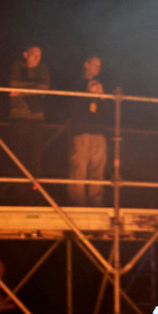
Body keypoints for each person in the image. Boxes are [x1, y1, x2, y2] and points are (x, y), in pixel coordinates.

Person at [65, 56, 111, 205]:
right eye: (95, 64)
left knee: (98, 169)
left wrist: (102, 97)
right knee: (79, 168)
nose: (98, 68)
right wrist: (87, 93)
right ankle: (77, 203)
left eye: (100, 65)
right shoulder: (76, 83)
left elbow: (108, 113)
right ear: (86, 64)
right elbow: (70, 108)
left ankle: (96, 202)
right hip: (81, 132)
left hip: (99, 133)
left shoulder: (101, 85)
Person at [5, 46, 50, 184]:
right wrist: (33, 88)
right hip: (18, 116)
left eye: (39, 55)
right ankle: (18, 188)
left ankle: (34, 189)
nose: (37, 58)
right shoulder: (17, 66)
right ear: (25, 54)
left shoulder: (43, 68)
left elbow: (44, 87)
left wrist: (21, 91)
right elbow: (13, 83)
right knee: (18, 155)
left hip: (37, 117)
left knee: (35, 155)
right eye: (33, 54)